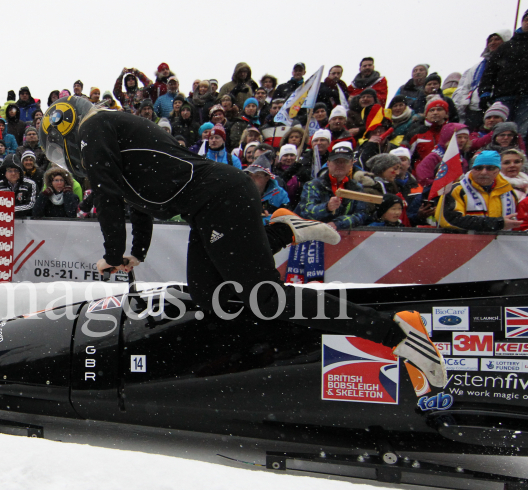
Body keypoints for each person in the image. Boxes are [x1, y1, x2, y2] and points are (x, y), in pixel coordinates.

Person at [39, 95, 446, 387]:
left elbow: (108, 197)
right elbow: (136, 203)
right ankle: (286, 231)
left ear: (66, 125)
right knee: (209, 294)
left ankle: (396, 335)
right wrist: (135, 254)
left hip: (222, 199)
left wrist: (110, 255)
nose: (64, 159)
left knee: (265, 298)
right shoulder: (109, 135)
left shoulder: (95, 128)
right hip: (208, 208)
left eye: (59, 148)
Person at [436, 151, 523, 231]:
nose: (483, 172)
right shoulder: (456, 190)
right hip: (464, 244)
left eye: (490, 168)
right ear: (472, 170)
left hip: (498, 245)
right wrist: (497, 223)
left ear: (498, 171)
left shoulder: (509, 193)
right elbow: (449, 221)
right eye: (478, 168)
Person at [298, 143, 371, 230]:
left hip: (347, 237)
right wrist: (327, 207)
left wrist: (338, 223)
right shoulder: (313, 185)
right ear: (328, 163)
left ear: (351, 164)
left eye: (345, 161)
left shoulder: (357, 187)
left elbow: (362, 215)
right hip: (316, 234)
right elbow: (306, 212)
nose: (340, 165)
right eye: (336, 161)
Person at [479, 10, 528, 137]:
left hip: (526, 98)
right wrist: (485, 92)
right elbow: (490, 72)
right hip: (504, 95)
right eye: (526, 20)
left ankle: (517, 154)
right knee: (499, 131)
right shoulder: (506, 47)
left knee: (521, 132)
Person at [454, 31, 510, 130]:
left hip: (498, 106)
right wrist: (464, 104)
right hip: (475, 108)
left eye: (497, 39)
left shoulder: (510, 62)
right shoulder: (476, 67)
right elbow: (465, 87)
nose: (492, 43)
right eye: (490, 40)